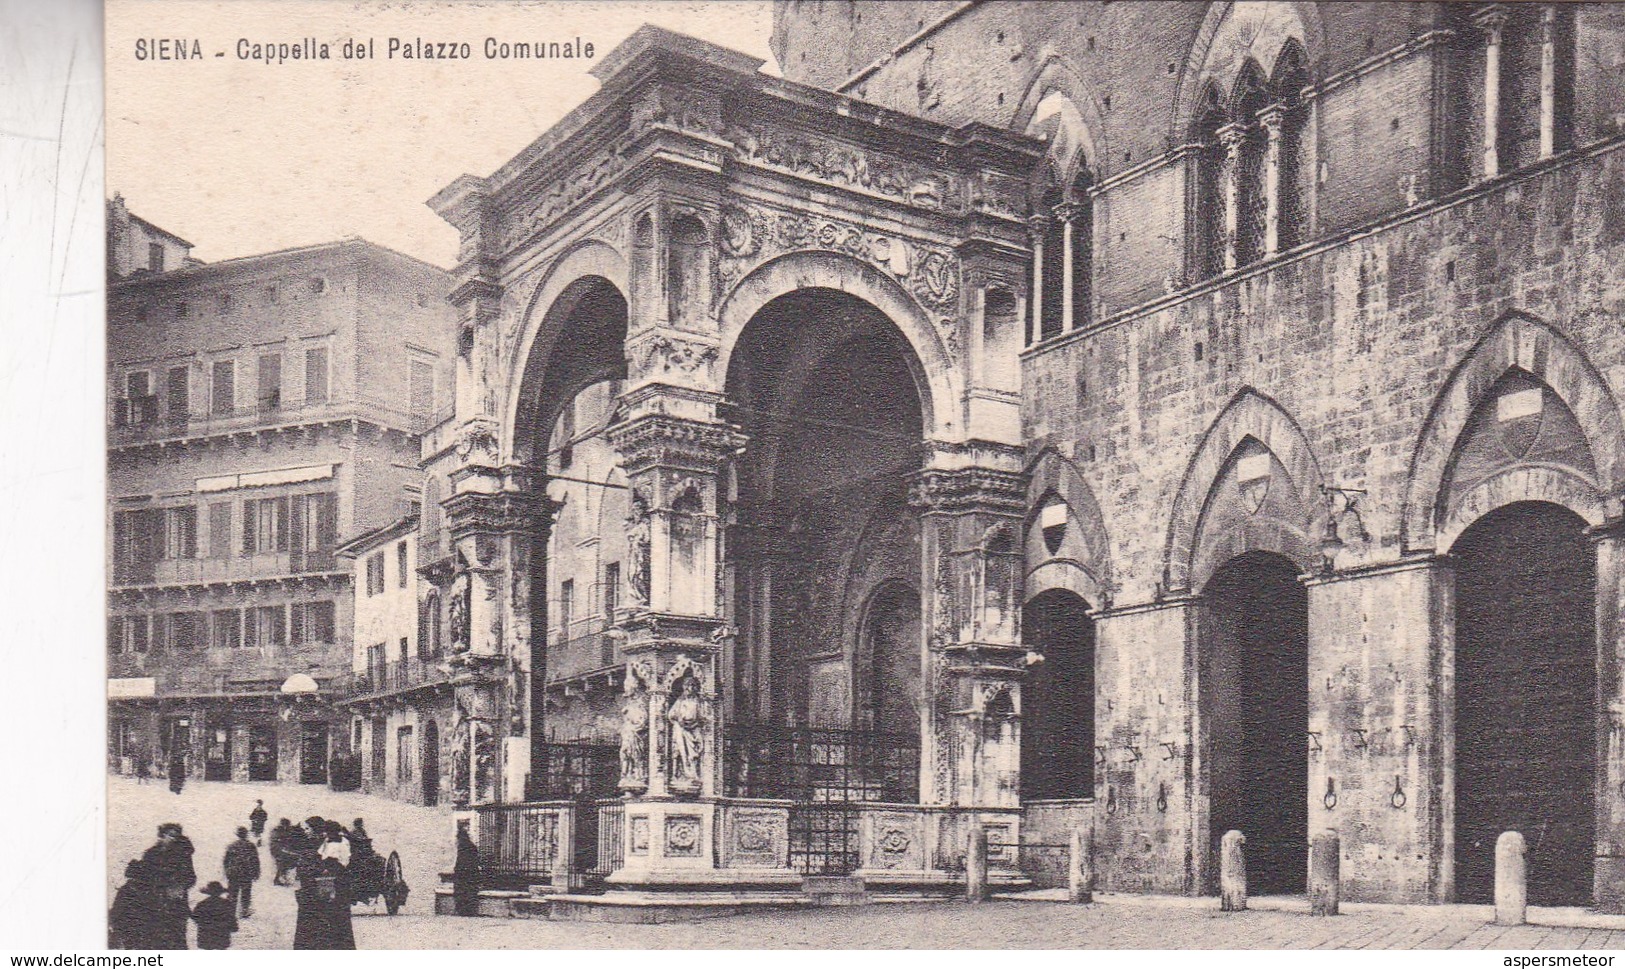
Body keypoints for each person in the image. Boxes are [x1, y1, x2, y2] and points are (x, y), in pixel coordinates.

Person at [140, 823, 195, 949]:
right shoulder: (150, 854)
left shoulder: (182, 856)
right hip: (155, 903)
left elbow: (191, 877)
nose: (174, 839)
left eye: (176, 836)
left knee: (178, 939)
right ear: (162, 835)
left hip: (177, 904)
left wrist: (180, 887)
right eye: (171, 836)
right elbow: (143, 878)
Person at [108, 859, 157, 949]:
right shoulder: (129, 891)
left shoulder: (126, 890)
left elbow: (116, 912)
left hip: (135, 933)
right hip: (133, 933)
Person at [223, 826, 260, 919]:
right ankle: (244, 911)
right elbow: (255, 860)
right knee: (246, 892)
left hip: (234, 873)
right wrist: (256, 872)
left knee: (232, 893)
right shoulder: (251, 845)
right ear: (246, 834)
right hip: (246, 872)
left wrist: (227, 871)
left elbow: (226, 861)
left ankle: (230, 912)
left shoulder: (231, 845)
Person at [190, 882, 237, 950]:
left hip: (206, 933)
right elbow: (231, 917)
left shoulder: (202, 904)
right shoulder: (226, 903)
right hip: (222, 933)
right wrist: (233, 927)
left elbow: (196, 917)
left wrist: (202, 924)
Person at [452, 819, 480, 917]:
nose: (468, 829)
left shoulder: (461, 843)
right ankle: (467, 909)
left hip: (462, 871)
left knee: (463, 890)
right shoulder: (466, 843)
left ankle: (463, 909)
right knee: (467, 890)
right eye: (466, 826)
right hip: (468, 871)